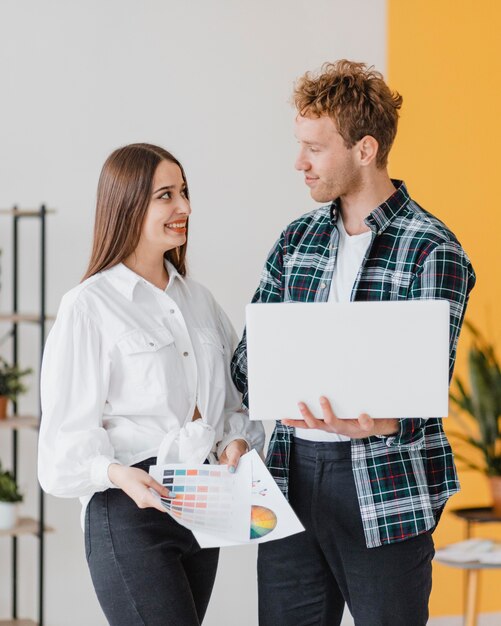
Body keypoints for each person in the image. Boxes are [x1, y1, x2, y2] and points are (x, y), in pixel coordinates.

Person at [231, 60, 476, 626]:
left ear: (364, 150)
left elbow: (424, 390)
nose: (300, 163)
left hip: (384, 484)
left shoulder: (432, 248)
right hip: (290, 476)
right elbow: (248, 364)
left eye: (314, 149)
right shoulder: (297, 239)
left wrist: (380, 420)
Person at [38, 143, 264, 626]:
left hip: (202, 507)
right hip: (129, 510)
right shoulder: (88, 306)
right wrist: (119, 475)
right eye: (166, 195)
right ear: (127, 204)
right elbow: (61, 446)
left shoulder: (199, 301)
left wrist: (236, 441)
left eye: (183, 192)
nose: (184, 207)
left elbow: (233, 405)